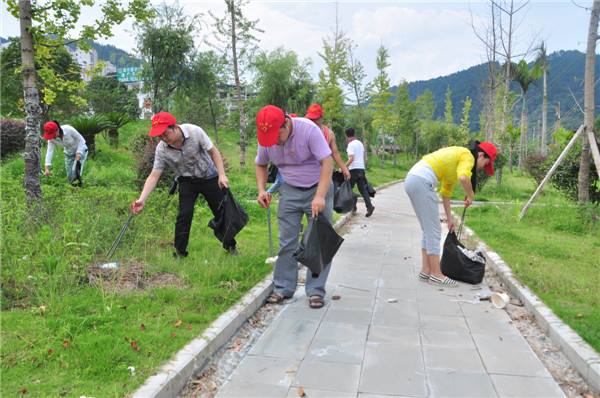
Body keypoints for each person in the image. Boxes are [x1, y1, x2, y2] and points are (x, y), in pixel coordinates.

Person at [255, 105, 334, 309]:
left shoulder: (308, 130)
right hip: (290, 189)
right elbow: (261, 163)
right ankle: (283, 287)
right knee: (287, 240)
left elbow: (327, 163)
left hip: (318, 186)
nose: (273, 141)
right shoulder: (266, 138)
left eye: (276, 135)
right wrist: (262, 189)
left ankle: (315, 290)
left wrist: (320, 196)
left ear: (286, 124)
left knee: (319, 240)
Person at [131, 112, 237, 257]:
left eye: (164, 134)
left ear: (174, 127)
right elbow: (154, 175)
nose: (162, 138)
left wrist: (222, 175)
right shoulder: (162, 149)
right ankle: (180, 253)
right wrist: (141, 199)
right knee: (184, 215)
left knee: (221, 213)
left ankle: (231, 247)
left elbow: (214, 152)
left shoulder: (195, 132)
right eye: (159, 136)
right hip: (187, 181)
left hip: (209, 177)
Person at [404, 141, 497, 287]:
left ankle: (426, 270)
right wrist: (471, 194)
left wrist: (449, 219)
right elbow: (463, 178)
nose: (483, 167)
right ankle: (436, 274)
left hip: (413, 179)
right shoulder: (467, 156)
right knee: (434, 231)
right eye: (486, 163)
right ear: (480, 155)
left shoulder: (455, 160)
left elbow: (446, 194)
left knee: (427, 230)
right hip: (422, 181)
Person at [305, 103, 351, 181]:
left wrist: (344, 168)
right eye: (310, 119)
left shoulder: (329, 134)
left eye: (315, 119)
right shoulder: (304, 131)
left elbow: (335, 153)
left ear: (321, 118)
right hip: (307, 173)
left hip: (324, 173)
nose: (312, 121)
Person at [42, 121, 88, 185]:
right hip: (68, 153)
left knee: (75, 173)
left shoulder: (68, 129)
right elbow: (49, 151)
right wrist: (47, 168)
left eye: (52, 134)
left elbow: (81, 140)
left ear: (57, 130)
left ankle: (78, 189)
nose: (51, 137)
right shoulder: (51, 139)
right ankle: (72, 190)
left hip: (81, 149)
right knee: (70, 177)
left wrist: (79, 153)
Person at [345, 127, 375, 217]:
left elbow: (352, 158)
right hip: (361, 169)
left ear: (346, 135)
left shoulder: (350, 145)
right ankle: (369, 206)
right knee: (363, 189)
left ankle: (353, 206)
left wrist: (343, 167)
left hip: (353, 169)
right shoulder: (360, 143)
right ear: (354, 134)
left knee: (348, 189)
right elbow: (361, 156)